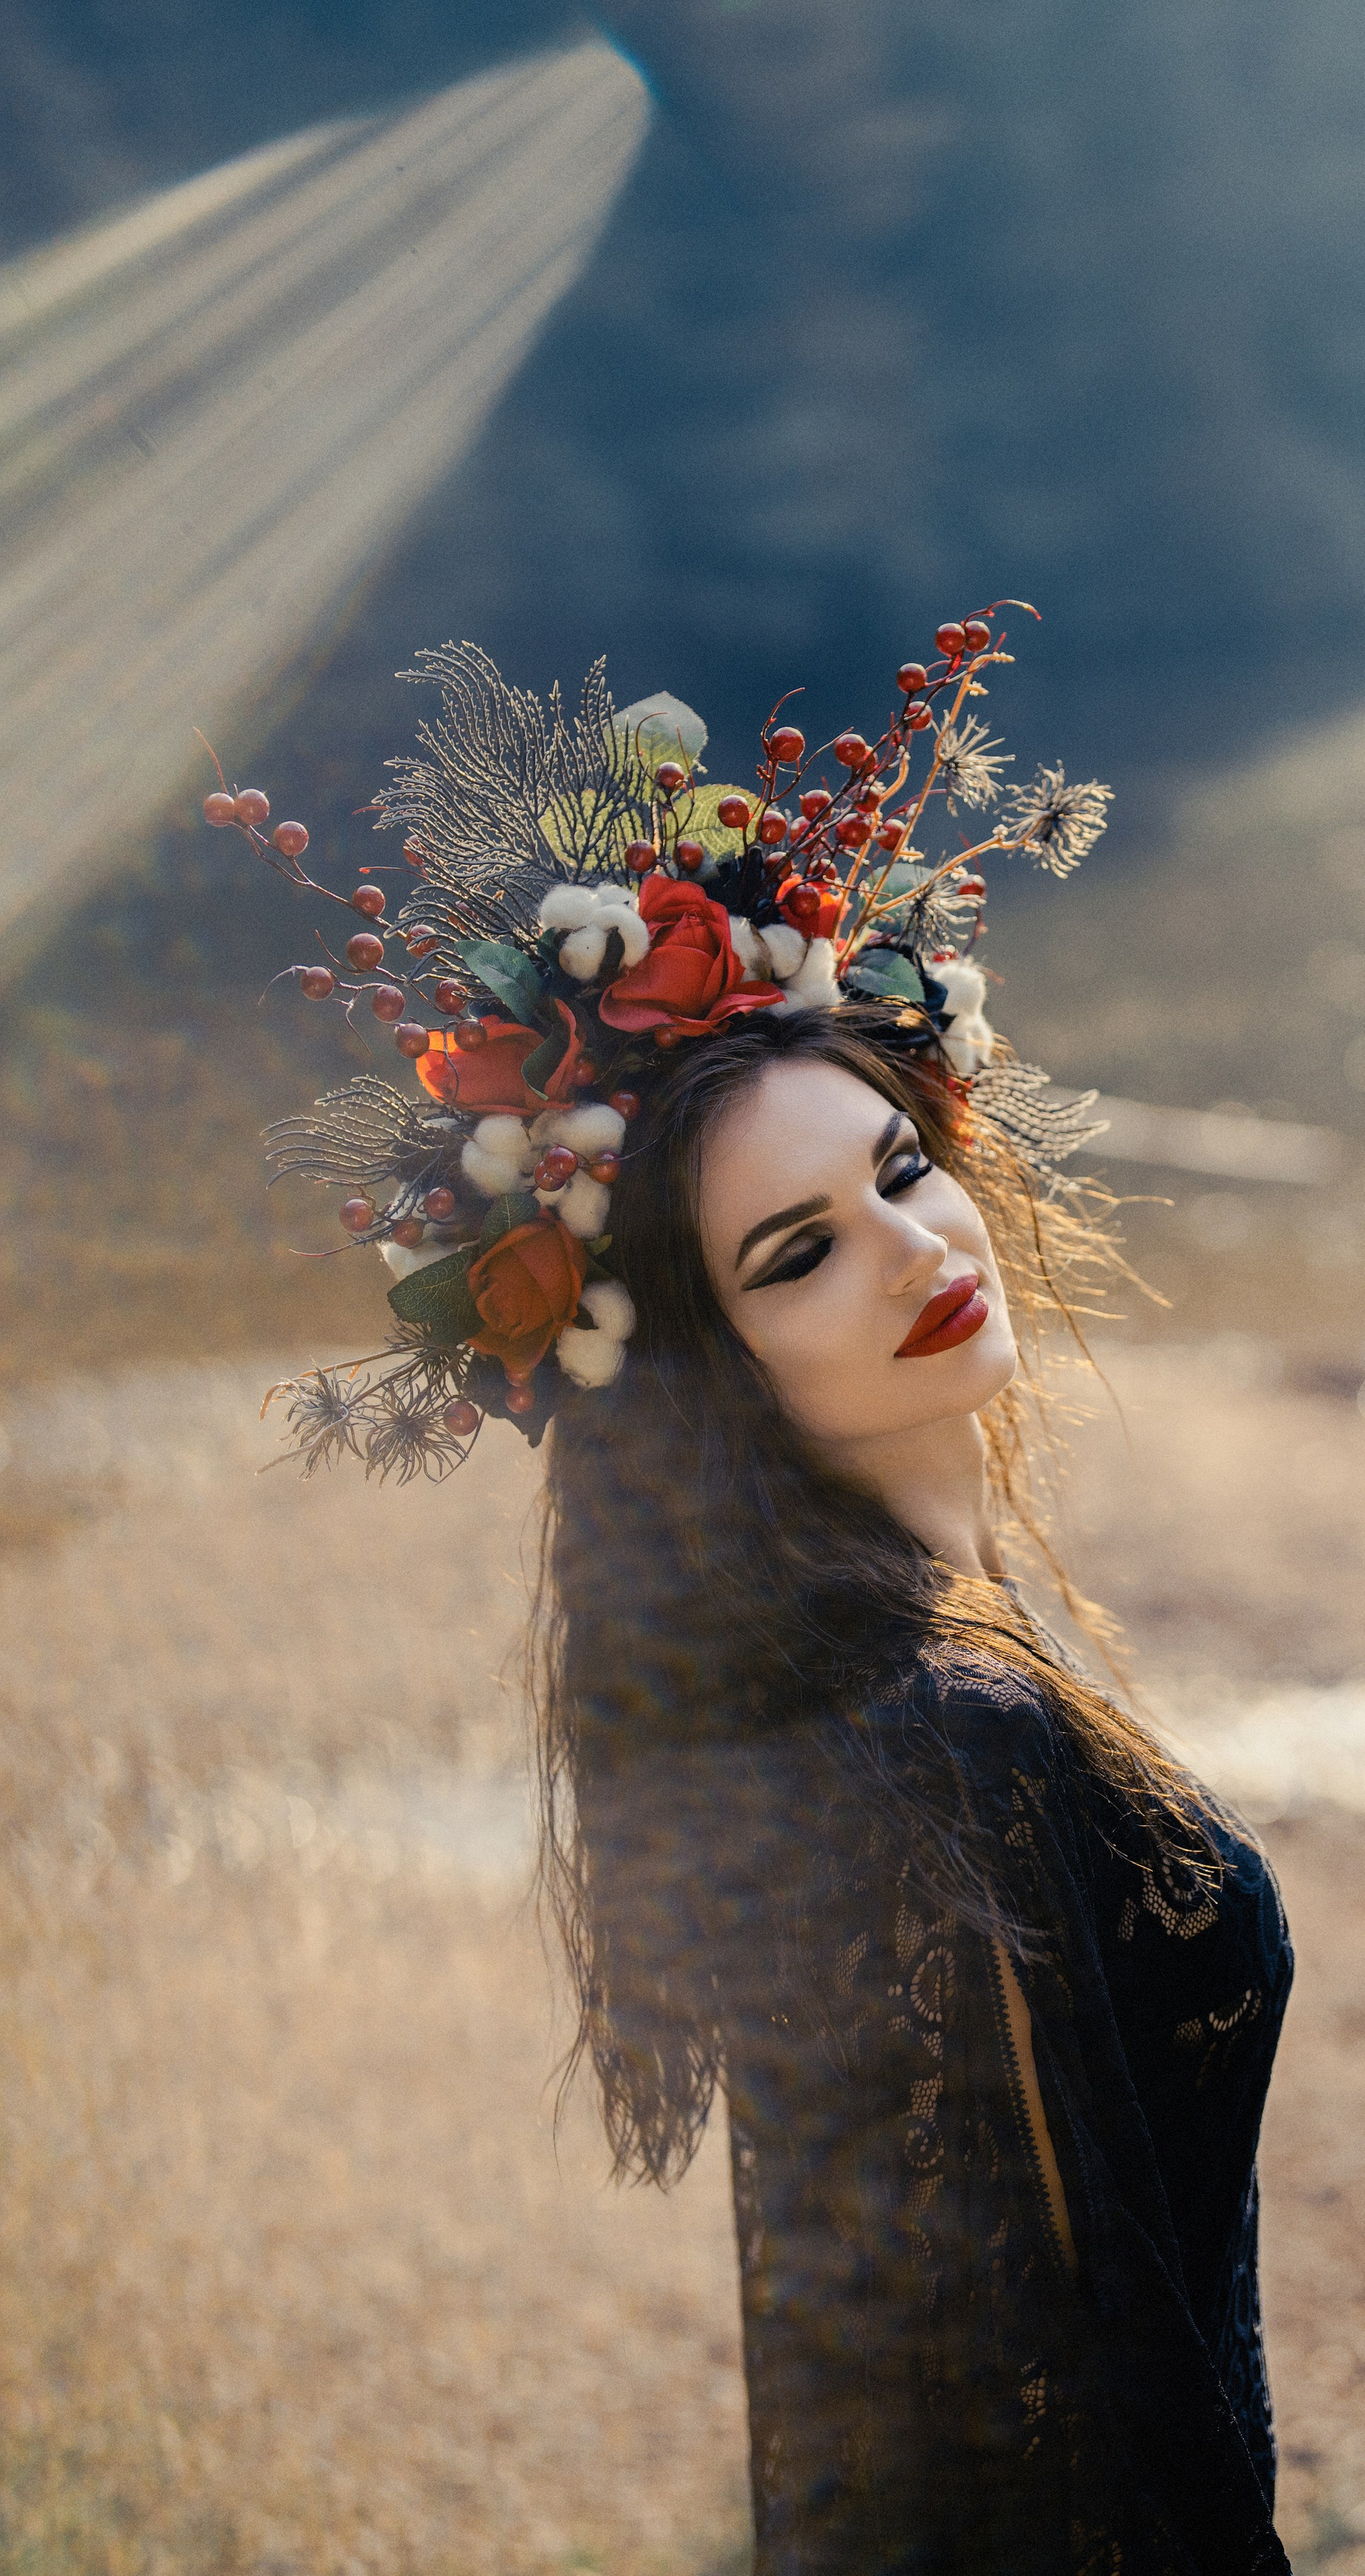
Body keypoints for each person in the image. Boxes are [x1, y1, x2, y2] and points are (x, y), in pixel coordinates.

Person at [235, 625, 1295, 2573]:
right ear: (712, 1367)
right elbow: (1025, 2404)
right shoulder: (928, 1747)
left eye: (902, 1167)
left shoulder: (894, 1669)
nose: (916, 1250)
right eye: (802, 1252)